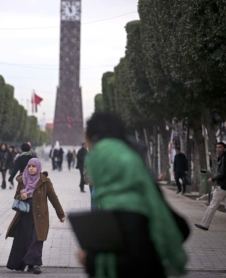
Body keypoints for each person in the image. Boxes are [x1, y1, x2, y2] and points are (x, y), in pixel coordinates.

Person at [77, 112, 187, 278]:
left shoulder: (126, 206)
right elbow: (180, 227)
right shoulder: (141, 184)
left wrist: (90, 261)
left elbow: (141, 263)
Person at [6, 158, 65, 274]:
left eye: (34, 166)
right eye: (29, 166)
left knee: (37, 238)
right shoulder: (22, 180)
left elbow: (54, 198)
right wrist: (21, 195)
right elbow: (16, 195)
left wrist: (61, 214)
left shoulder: (45, 182)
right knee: (26, 238)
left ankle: (36, 263)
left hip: (40, 216)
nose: (31, 168)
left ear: (38, 168)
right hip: (24, 214)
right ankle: (30, 264)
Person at [195, 142, 226, 231]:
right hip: (224, 187)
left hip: (222, 187)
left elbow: (223, 173)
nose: (218, 149)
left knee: (212, 206)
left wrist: (213, 178)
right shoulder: (222, 157)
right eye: (217, 147)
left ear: (224, 148)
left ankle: (204, 224)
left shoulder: (224, 158)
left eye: (220, 147)